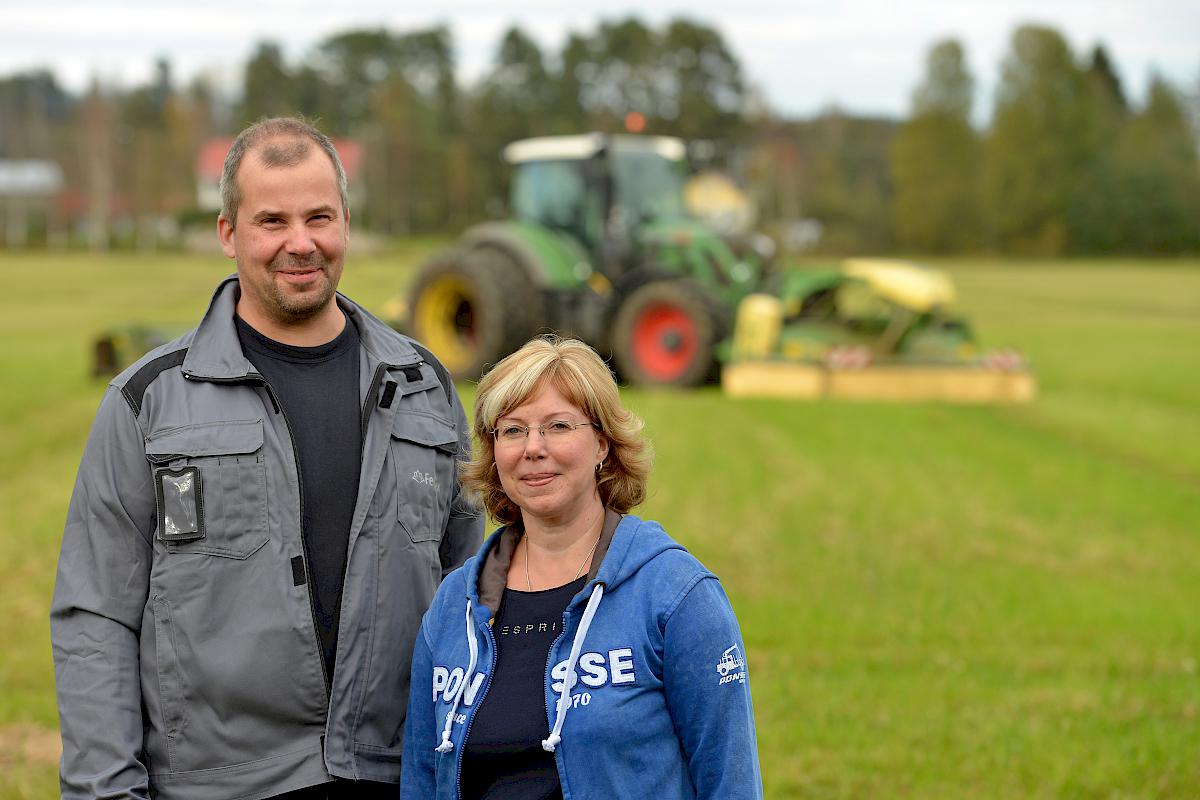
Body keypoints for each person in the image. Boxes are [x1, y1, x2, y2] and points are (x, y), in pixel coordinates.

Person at [50, 117, 482, 800]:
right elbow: (95, 613)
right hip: (219, 787)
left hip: (399, 776)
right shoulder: (148, 402)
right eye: (271, 221)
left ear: (345, 220)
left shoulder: (425, 385)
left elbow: (471, 589)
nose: (300, 243)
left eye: (319, 217)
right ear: (229, 233)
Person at [401, 337, 763, 799]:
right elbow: (420, 781)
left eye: (558, 425)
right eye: (512, 430)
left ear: (602, 446)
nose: (533, 448)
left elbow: (729, 782)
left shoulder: (675, 595)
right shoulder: (454, 607)